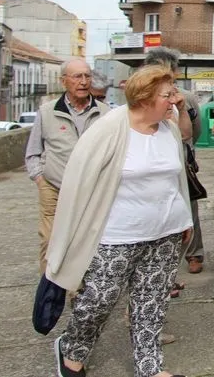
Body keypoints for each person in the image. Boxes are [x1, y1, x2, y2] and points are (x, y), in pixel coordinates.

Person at [46, 65, 193, 377]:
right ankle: (71, 349)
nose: (174, 100)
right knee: (98, 301)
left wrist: (185, 219)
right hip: (117, 234)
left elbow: (176, 178)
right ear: (144, 98)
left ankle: (149, 367)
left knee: (152, 302)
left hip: (166, 232)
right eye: (167, 95)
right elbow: (79, 181)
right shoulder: (109, 129)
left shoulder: (168, 130)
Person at [25, 59, 110, 273]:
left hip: (91, 189)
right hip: (54, 187)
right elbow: (33, 152)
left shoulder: (105, 113)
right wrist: (40, 179)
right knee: (50, 241)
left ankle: (77, 288)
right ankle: (50, 290)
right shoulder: (47, 112)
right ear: (63, 81)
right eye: (77, 76)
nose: (83, 82)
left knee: (84, 243)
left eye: (87, 76)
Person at [143, 47, 204, 274]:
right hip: (150, 166)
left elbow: (193, 132)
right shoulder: (141, 98)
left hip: (180, 162)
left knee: (188, 206)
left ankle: (194, 253)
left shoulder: (185, 98)